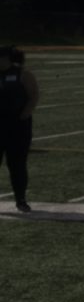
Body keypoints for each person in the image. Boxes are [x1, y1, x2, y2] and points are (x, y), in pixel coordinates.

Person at [1, 46, 39, 212]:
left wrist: (23, 116)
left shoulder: (23, 74)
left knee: (17, 164)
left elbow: (33, 96)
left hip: (17, 126)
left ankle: (21, 199)